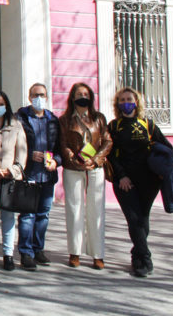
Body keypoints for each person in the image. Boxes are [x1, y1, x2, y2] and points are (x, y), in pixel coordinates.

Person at [108, 87, 168, 277]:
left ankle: (137, 256)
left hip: (149, 181)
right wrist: (122, 176)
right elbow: (110, 155)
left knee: (142, 219)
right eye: (122, 99)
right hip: (124, 181)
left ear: (137, 101)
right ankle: (145, 257)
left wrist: (162, 172)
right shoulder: (114, 126)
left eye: (129, 99)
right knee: (133, 218)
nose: (126, 102)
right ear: (117, 104)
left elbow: (165, 148)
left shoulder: (148, 124)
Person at [58, 82, 112, 270]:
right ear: (72, 97)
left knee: (96, 211)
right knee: (74, 210)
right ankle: (75, 252)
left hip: (95, 169)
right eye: (79, 93)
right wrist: (73, 159)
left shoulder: (99, 118)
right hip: (73, 169)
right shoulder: (65, 120)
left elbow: (107, 142)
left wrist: (96, 160)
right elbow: (63, 143)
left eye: (86, 93)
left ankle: (98, 255)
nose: (83, 96)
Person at [15, 83, 60, 271]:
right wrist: (29, 154)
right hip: (29, 173)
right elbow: (16, 143)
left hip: (47, 175)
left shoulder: (53, 120)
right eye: (35, 95)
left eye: (41, 94)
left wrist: (56, 161)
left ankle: (38, 248)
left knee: (43, 215)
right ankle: (26, 252)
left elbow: (59, 147)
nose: (38, 98)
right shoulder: (21, 118)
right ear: (29, 97)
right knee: (27, 215)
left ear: (47, 97)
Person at [0, 90, 27, 271]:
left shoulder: (16, 126)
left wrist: (14, 170)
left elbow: (22, 151)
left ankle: (8, 254)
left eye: (1, 104)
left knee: (8, 216)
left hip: (9, 179)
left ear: (6, 106)